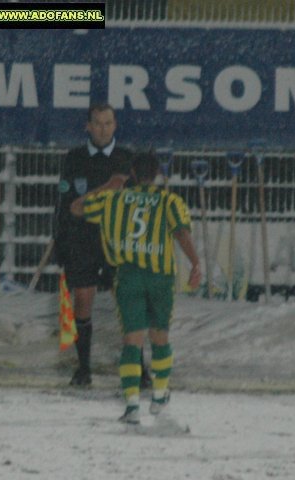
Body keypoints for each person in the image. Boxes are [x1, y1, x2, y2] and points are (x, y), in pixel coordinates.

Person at [70, 151, 202, 424]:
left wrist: (108, 185)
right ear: (157, 174)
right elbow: (181, 233)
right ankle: (159, 397)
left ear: (131, 172)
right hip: (160, 276)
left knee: (132, 340)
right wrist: (196, 263)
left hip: (128, 275)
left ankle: (131, 405)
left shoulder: (113, 199)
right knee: (160, 337)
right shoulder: (169, 201)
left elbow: (76, 208)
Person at [54, 103, 151, 387]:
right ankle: (84, 369)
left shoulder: (127, 158)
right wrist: (60, 239)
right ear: (87, 126)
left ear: (115, 125)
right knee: (83, 301)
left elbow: (139, 203)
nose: (103, 129)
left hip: (118, 241)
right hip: (82, 241)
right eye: (97, 123)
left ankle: (139, 368)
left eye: (108, 123)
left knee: (129, 303)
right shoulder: (73, 158)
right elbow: (67, 205)